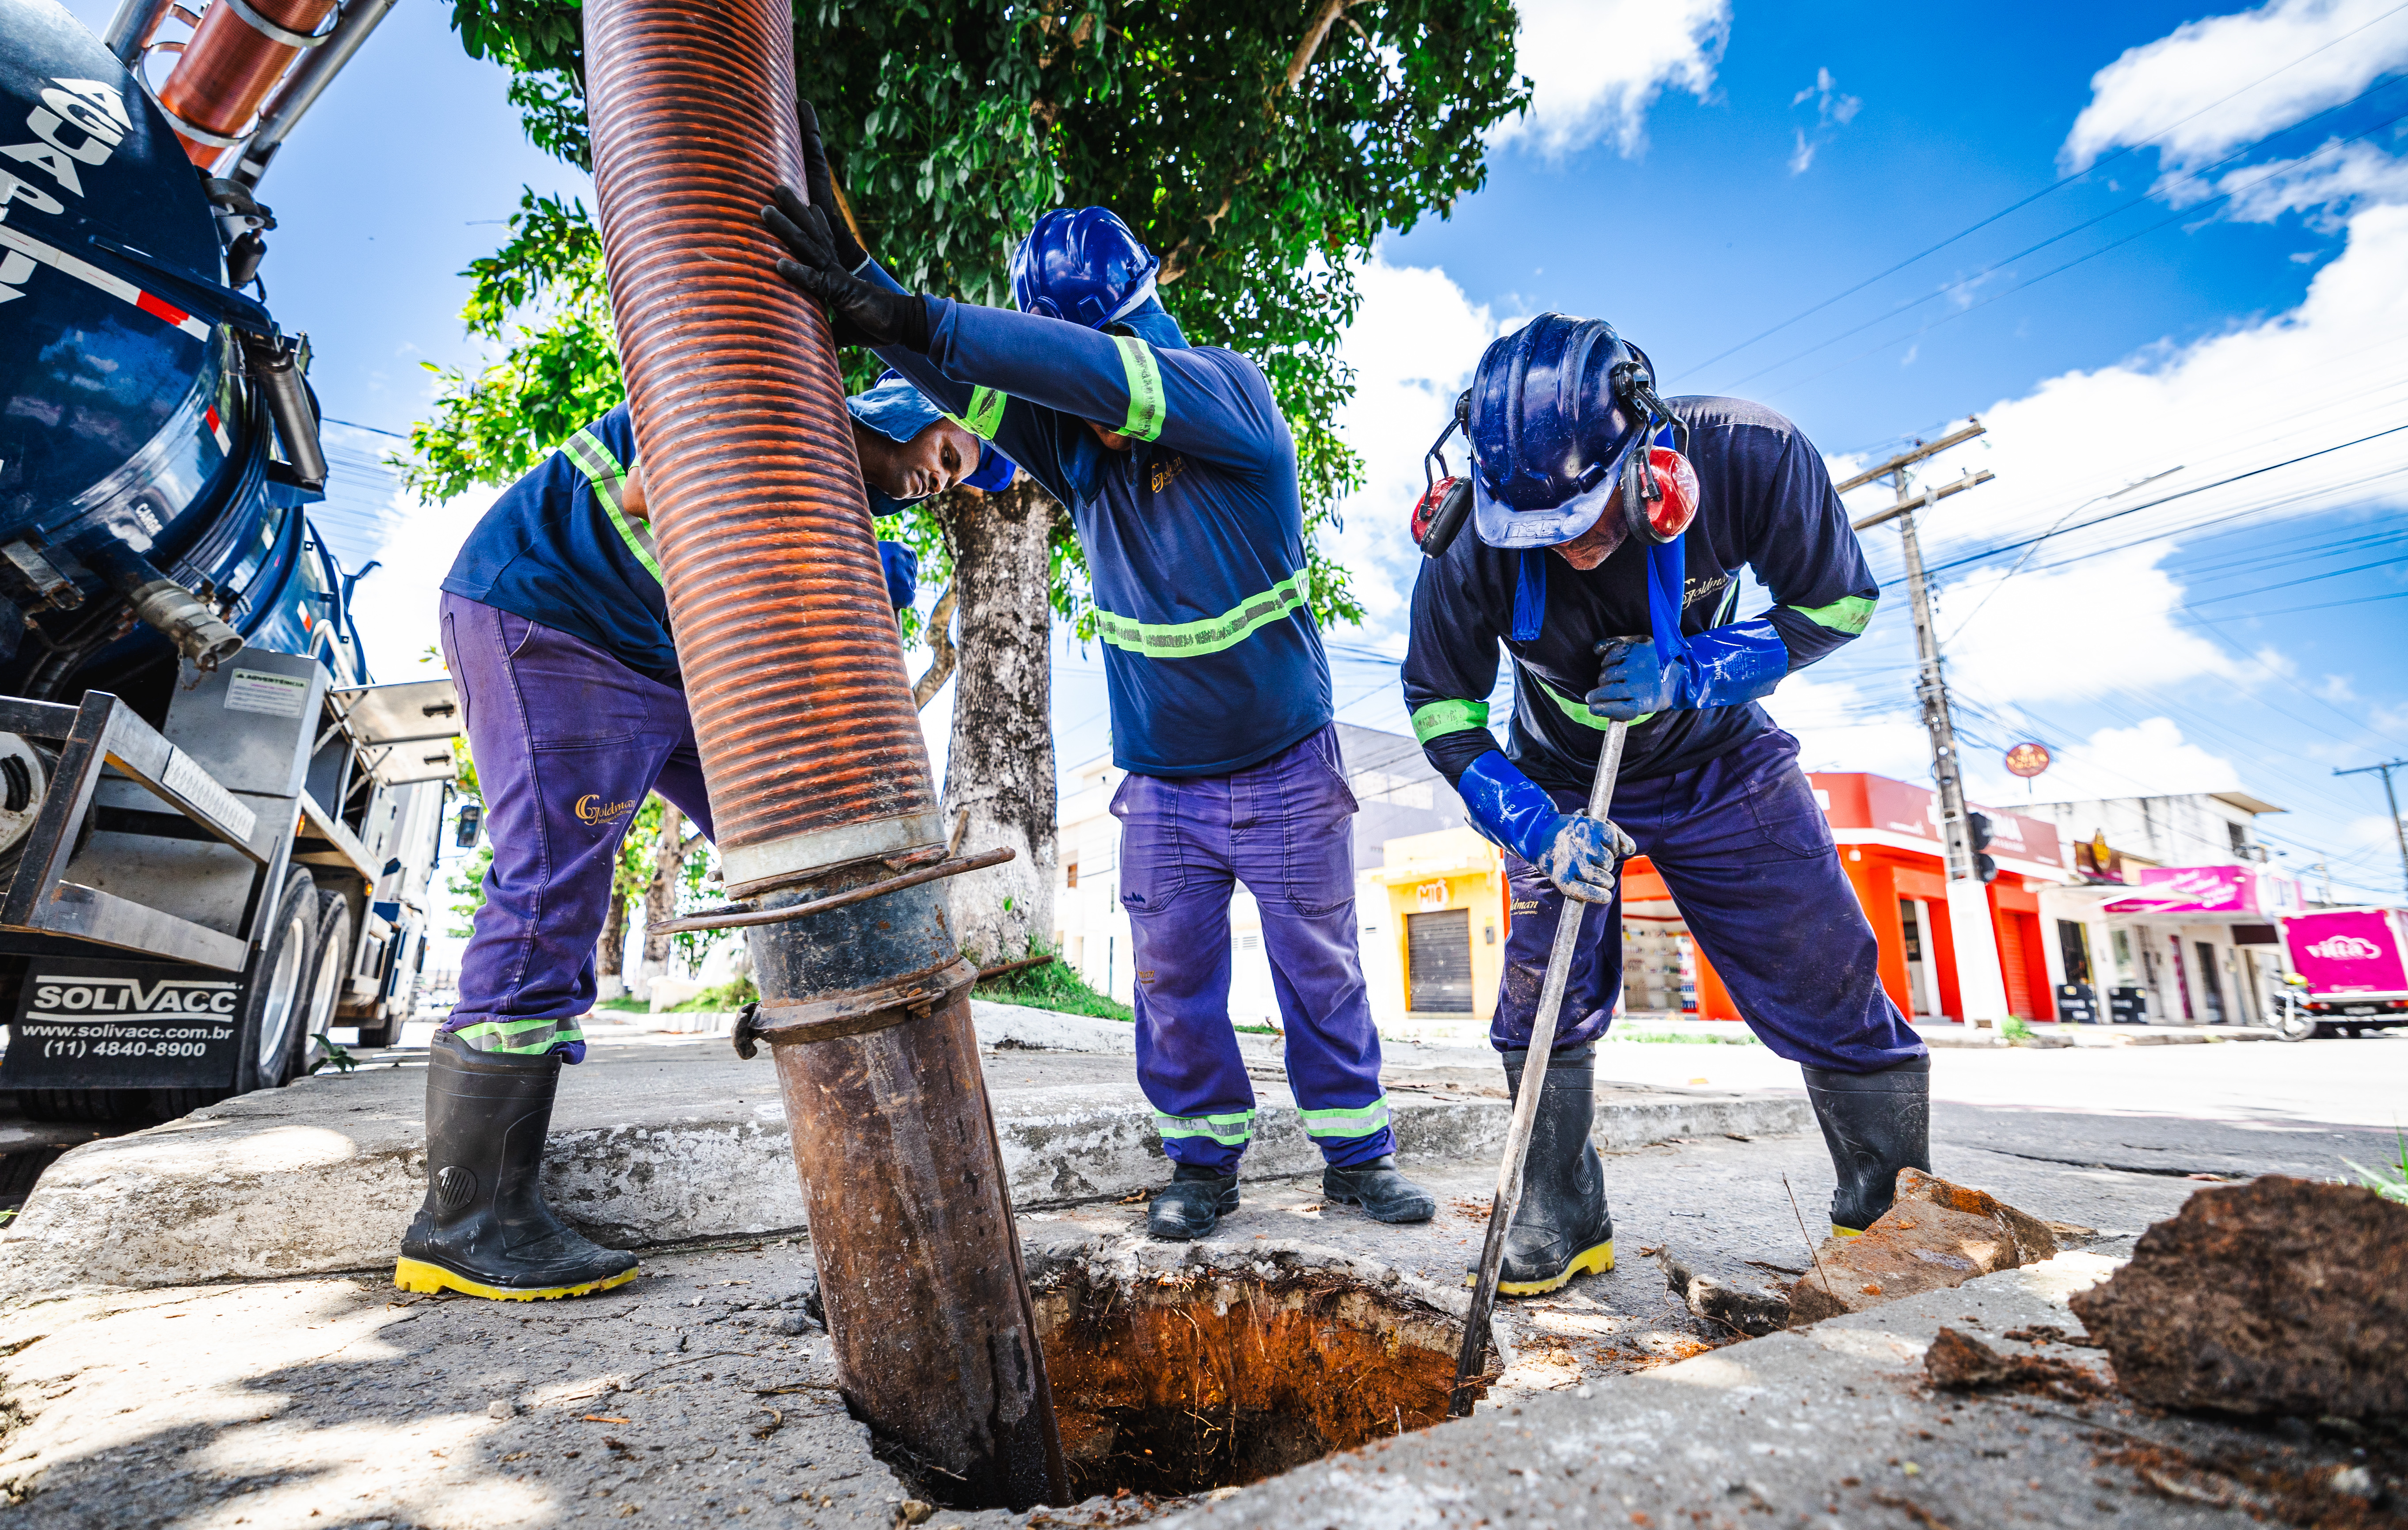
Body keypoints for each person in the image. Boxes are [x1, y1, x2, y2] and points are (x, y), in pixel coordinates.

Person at [760, 120, 1437, 1242]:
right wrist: (864, 289)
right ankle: (1203, 1167)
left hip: (1285, 769)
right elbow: (966, 377)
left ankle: (1358, 1160)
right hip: (1164, 786)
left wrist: (918, 314)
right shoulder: (1078, 447)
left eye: (1098, 363)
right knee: (1173, 986)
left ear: (1141, 330)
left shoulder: (1229, 399)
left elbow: (1077, 369)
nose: (1087, 416)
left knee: (1321, 972)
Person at [396, 384, 1007, 1302]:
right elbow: (655, 487)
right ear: (896, 409)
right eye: (951, 456)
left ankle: (874, 1149)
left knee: (803, 855)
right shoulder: (768, 380)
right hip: (555, 620)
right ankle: (466, 1218)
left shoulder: (847, 509)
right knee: (553, 886)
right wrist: (832, 558)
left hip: (662, 653)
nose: (940, 484)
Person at [1401, 312, 1929, 1296]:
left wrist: (1696, 669)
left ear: (1649, 464)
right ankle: (1562, 1210)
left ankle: (1890, 1210)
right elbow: (1440, 708)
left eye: (1590, 519)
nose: (1571, 551)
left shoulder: (1750, 456)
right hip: (1562, 775)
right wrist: (1535, 828)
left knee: (1826, 968)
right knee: (1542, 986)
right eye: (1540, 536)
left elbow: (1842, 605)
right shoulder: (1467, 538)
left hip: (1721, 756)